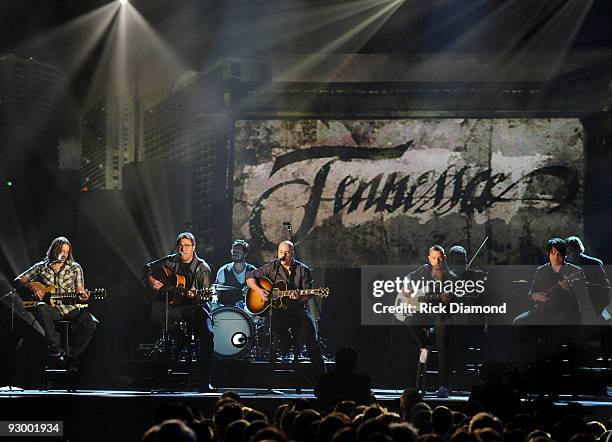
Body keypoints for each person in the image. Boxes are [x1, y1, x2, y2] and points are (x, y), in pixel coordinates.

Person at [143, 232, 214, 391]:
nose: (183, 249)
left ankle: (204, 380)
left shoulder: (202, 268)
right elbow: (147, 269)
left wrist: (195, 295)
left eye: (187, 246)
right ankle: (179, 337)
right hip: (176, 305)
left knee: (207, 336)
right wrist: (151, 281)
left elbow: (206, 296)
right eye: (180, 246)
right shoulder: (170, 261)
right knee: (156, 310)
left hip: (196, 307)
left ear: (194, 247)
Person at [245, 240, 325, 379]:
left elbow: (309, 293)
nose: (283, 255)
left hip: (298, 310)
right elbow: (250, 276)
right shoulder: (272, 266)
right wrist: (259, 291)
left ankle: (323, 379)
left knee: (312, 340)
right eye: (280, 252)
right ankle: (286, 346)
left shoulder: (303, 270)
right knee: (274, 326)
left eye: (286, 253)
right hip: (278, 311)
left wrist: (298, 298)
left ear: (292, 253)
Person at [15, 236, 97, 368]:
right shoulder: (41, 267)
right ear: (54, 250)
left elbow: (80, 290)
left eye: (66, 252)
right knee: (41, 306)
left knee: (91, 323)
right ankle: (55, 348)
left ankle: (70, 357)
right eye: (61, 251)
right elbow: (19, 279)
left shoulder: (75, 268)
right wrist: (33, 287)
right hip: (52, 310)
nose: (64, 255)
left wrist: (84, 296)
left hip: (70, 309)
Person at [401, 245, 458, 398]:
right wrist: (406, 285)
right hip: (426, 312)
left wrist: (448, 299)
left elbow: (455, 302)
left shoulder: (451, 277)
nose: (437, 261)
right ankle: (426, 345)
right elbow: (408, 276)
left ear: (444, 257)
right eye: (434, 258)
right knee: (410, 321)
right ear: (429, 258)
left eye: (440, 258)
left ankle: (443, 385)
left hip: (444, 315)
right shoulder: (424, 269)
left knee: (442, 345)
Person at [315, 346, 375, 412]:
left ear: (336, 361)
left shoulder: (326, 379)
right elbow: (368, 399)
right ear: (355, 363)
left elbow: (318, 394)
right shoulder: (363, 381)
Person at [215, 239, 257, 306]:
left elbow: (259, 293)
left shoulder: (252, 271)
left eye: (238, 252)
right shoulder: (223, 270)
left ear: (245, 254)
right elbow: (216, 293)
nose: (235, 254)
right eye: (234, 251)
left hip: (247, 311)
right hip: (228, 310)